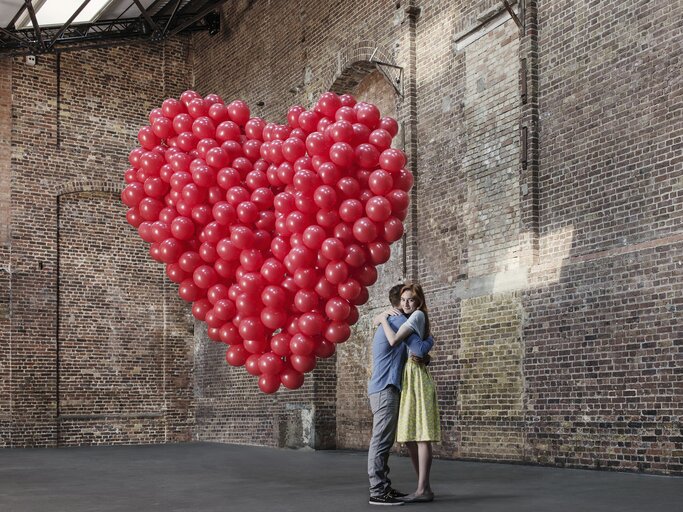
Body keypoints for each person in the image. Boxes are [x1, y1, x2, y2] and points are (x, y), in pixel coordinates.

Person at [367, 284, 434, 506]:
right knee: (381, 441)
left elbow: (413, 354)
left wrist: (378, 318)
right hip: (385, 388)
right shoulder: (397, 321)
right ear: (399, 305)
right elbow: (419, 349)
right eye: (404, 301)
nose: (408, 305)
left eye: (411, 300)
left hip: (385, 387)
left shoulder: (396, 322)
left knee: (383, 441)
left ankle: (383, 487)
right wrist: (430, 341)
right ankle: (377, 491)